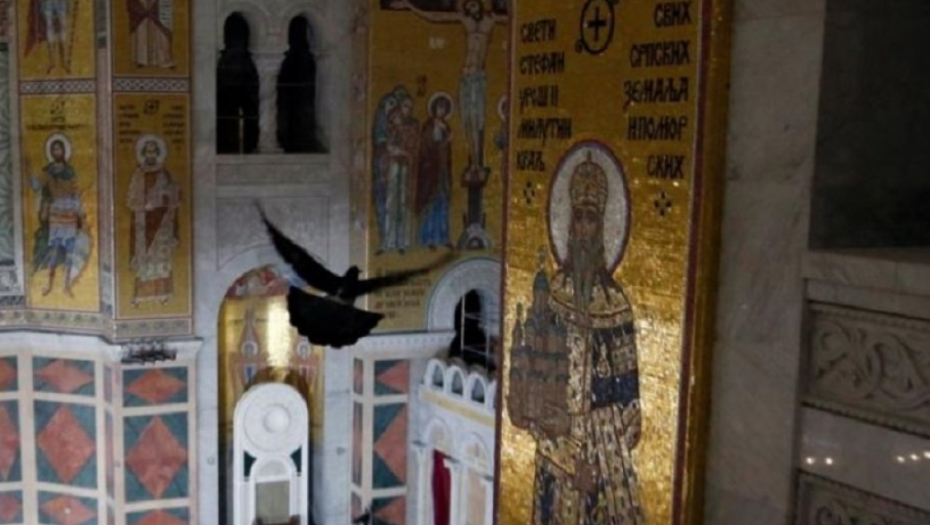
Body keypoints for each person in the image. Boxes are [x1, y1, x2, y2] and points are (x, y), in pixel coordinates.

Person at [508, 153, 644, 525]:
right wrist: (566, 453)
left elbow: (631, 403)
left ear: (602, 228)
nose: (584, 228)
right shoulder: (554, 295)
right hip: (555, 447)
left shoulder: (616, 303)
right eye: (579, 218)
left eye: (592, 219)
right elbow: (531, 386)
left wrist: (600, 454)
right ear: (569, 226)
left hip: (605, 455)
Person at [392, 0, 505, 176]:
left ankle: (477, 163)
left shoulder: (490, 20)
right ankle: (474, 163)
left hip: (477, 78)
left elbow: (518, 17)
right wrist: (410, 6)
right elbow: (436, 16)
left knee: (476, 121)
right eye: (468, 6)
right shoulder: (465, 19)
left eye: (473, 5)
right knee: (466, 121)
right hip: (466, 78)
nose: (470, 8)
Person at [29, 134, 90, 297]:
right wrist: (29, 175)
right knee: (54, 250)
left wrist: (81, 213)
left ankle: (67, 285)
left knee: (70, 251)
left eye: (59, 149)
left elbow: (75, 193)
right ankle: (49, 284)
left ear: (64, 151)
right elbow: (37, 186)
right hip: (56, 215)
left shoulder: (70, 171)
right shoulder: (47, 171)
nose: (57, 152)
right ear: (51, 152)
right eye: (54, 149)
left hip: (69, 215)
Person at [127, 135, 180, 306]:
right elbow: (131, 199)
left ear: (157, 154)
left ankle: (162, 294)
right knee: (145, 260)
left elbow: (173, 197)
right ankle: (141, 295)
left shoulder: (164, 174)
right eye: (148, 152)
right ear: (144, 154)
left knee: (160, 260)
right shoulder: (138, 174)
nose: (151, 155)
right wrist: (144, 205)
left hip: (162, 221)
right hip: (143, 222)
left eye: (153, 152)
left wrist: (165, 198)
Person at [416, 93, 453, 249]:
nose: (441, 111)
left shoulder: (445, 127)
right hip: (430, 172)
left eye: (444, 108)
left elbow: (446, 151)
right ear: (434, 108)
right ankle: (428, 239)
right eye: (439, 107)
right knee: (430, 204)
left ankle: (443, 238)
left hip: (442, 170)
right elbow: (429, 148)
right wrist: (445, 141)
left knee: (442, 204)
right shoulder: (429, 126)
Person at [25, 0, 74, 74]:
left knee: (62, 29)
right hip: (47, 3)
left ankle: (64, 61)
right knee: (50, 29)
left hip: (61, 3)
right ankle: (52, 61)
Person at [127, 0, 175, 68]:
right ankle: (141, 59)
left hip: (160, 7)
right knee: (141, 32)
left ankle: (164, 59)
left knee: (162, 34)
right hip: (142, 7)